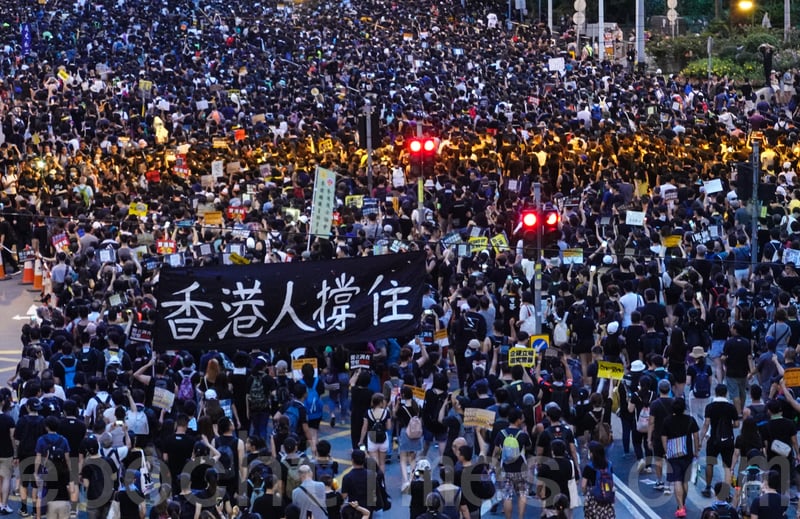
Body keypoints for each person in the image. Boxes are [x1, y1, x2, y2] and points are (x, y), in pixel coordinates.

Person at [661, 398, 700, 518]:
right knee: (685, 480)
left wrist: (666, 451)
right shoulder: (690, 420)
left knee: (676, 480)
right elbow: (696, 436)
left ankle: (681, 508)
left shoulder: (667, 421)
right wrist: (696, 450)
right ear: (684, 408)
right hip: (687, 453)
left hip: (673, 454)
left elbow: (664, 437)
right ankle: (683, 503)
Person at [699, 384, 739, 498]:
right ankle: (726, 493)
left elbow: (706, 424)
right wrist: (728, 425)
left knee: (710, 463)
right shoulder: (731, 407)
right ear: (726, 393)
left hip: (713, 440)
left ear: (715, 393)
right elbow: (737, 424)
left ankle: (707, 487)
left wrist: (700, 440)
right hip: (728, 440)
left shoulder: (710, 407)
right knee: (727, 466)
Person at [493, 408, 530, 519]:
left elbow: (496, 452)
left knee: (507, 496)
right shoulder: (522, 434)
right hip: (520, 468)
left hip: (505, 469)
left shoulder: (501, 433)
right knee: (522, 495)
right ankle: (520, 517)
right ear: (518, 420)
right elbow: (529, 447)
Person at [536, 439, 578, 518]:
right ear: (564, 450)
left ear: (552, 451)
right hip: (566, 499)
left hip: (550, 500)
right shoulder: (570, 463)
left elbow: (540, 484)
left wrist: (538, 494)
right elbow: (574, 479)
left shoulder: (546, 465)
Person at [581, 441, 615, 519]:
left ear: (592, 453)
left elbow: (583, 485)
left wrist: (585, 493)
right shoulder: (609, 464)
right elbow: (612, 482)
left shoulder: (589, 467)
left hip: (593, 497)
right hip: (607, 495)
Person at [360, 393, 391, 474]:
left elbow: (364, 428)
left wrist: (361, 441)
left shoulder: (368, 412)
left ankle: (373, 483)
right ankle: (381, 482)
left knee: (374, 463)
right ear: (381, 402)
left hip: (372, 436)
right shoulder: (386, 412)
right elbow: (389, 427)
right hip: (383, 437)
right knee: (382, 463)